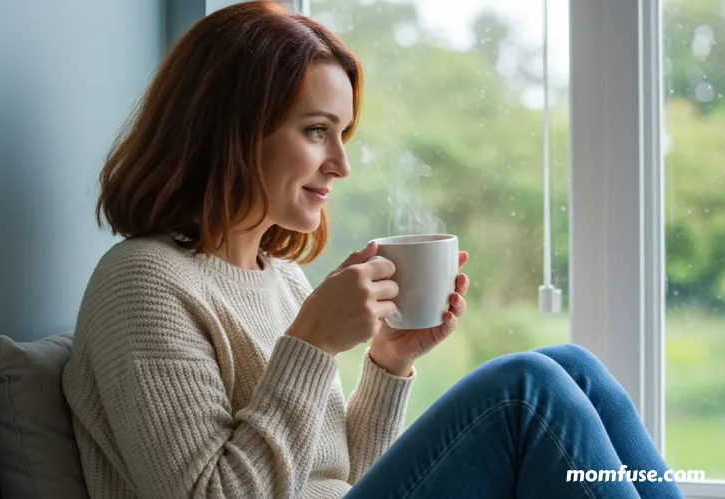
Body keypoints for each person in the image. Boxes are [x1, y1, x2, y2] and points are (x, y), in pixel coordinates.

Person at [61, 2, 684, 498]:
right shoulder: (143, 282)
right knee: (525, 389)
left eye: (343, 134)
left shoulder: (277, 278)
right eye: (316, 132)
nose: (341, 164)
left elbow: (343, 478)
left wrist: (389, 362)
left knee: (573, 367)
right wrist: (309, 346)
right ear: (229, 129)